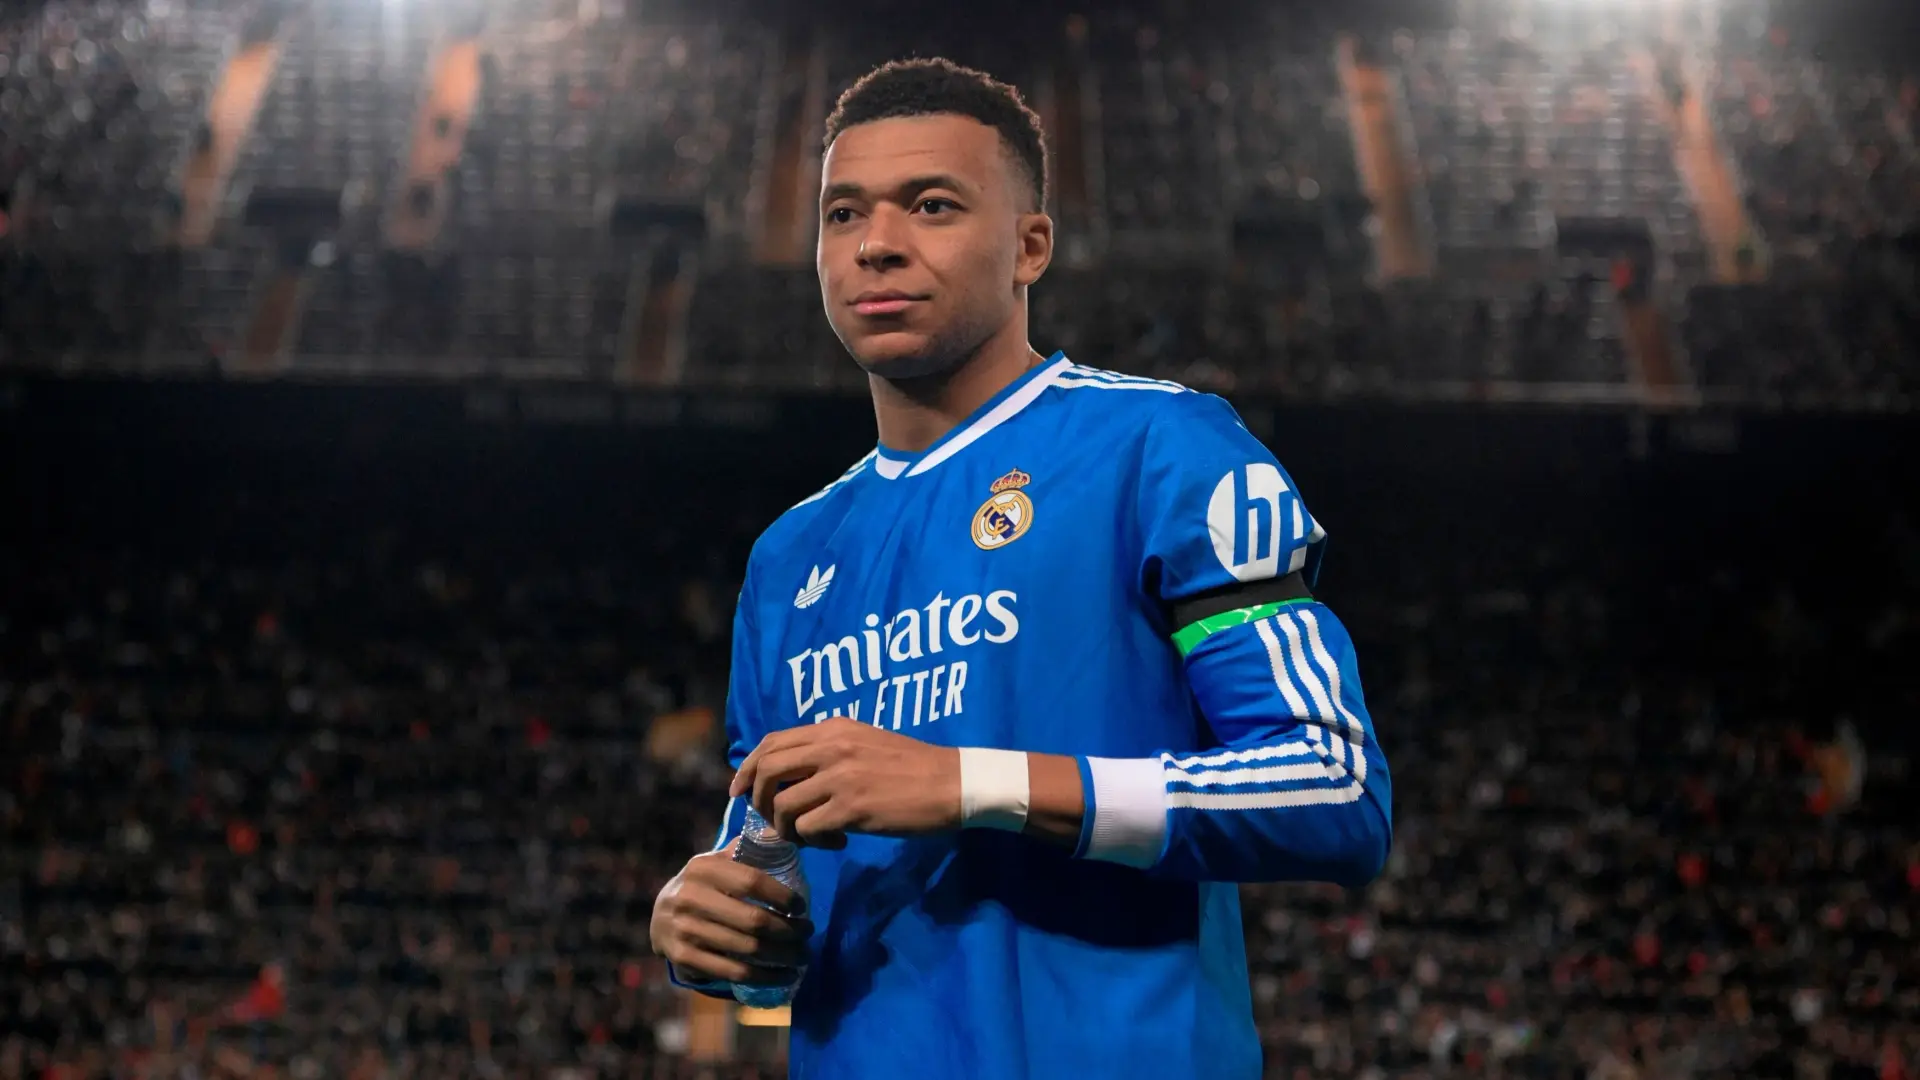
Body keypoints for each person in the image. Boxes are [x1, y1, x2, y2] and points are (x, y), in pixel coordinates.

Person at [647, 58, 1393, 1079]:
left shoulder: (1160, 450)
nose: (876, 243)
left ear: (1029, 247)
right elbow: (772, 892)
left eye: (932, 205)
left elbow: (1332, 788)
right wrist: (717, 923)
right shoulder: (788, 559)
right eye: (843, 213)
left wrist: (968, 783)